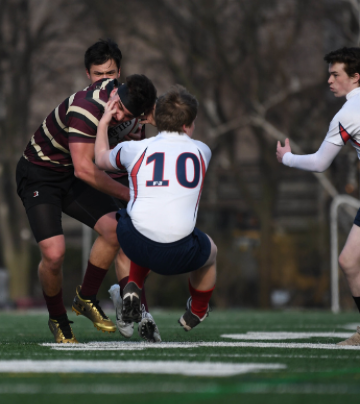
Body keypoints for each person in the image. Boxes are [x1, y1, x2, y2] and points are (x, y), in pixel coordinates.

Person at [16, 73, 156, 343]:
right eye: (121, 111)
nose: (120, 118)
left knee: (116, 230)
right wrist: (131, 195)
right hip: (40, 174)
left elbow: (168, 114)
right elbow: (84, 169)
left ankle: (86, 297)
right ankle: (58, 319)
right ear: (117, 94)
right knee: (55, 255)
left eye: (129, 116)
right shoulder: (87, 107)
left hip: (70, 175)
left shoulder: (133, 109)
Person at [94, 86, 218, 334]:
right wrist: (160, 121)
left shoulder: (135, 149)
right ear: (188, 125)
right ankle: (198, 309)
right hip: (179, 253)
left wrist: (103, 123)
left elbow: (100, 158)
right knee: (211, 253)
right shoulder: (203, 151)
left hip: (135, 244)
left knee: (132, 215)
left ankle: (134, 284)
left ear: (156, 119)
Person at [277, 47, 360, 346]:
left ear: (355, 77)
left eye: (336, 74)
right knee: (349, 260)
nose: (329, 80)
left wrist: (287, 158)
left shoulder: (349, 113)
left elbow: (321, 163)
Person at [82, 38, 160, 342]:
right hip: (89, 176)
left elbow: (139, 141)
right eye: (98, 75)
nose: (105, 80)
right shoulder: (85, 105)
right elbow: (89, 162)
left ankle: (130, 303)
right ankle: (133, 309)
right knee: (120, 232)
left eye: (111, 74)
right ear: (87, 75)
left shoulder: (131, 101)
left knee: (141, 238)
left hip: (120, 175)